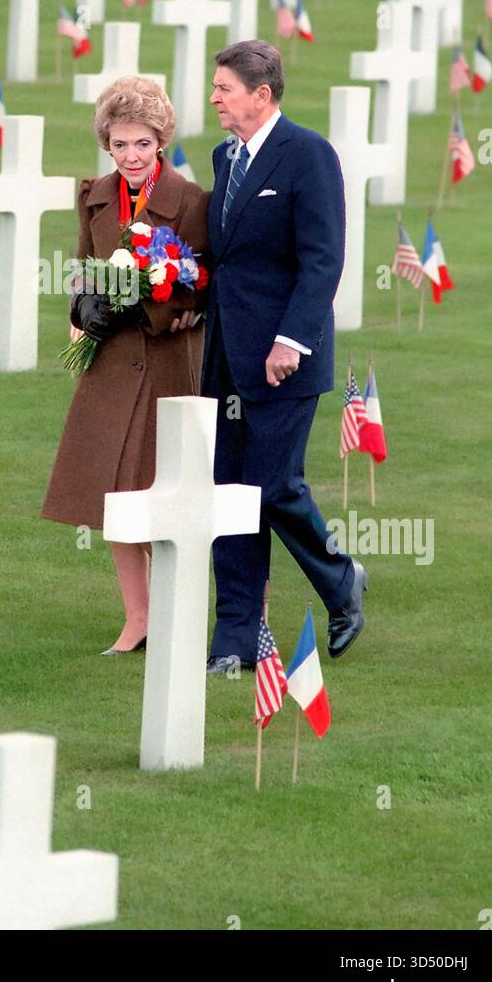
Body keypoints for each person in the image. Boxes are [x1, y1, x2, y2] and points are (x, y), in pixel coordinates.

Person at [201, 40, 367, 672]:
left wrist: (290, 341)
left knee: (272, 488)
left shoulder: (309, 156)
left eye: (225, 88)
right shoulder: (226, 157)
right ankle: (234, 641)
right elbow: (229, 256)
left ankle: (340, 578)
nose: (215, 97)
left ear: (261, 94)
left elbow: (323, 258)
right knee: (229, 496)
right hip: (225, 358)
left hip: (284, 359)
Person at [42, 76, 210, 654]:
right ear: (107, 145)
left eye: (142, 143)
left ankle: (171, 612)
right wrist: (84, 304)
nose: (131, 156)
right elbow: (84, 268)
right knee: (110, 495)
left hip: (165, 365)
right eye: (119, 144)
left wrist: (151, 309)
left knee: (155, 493)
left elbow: (201, 284)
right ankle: (137, 618)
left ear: (161, 140)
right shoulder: (94, 195)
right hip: (109, 364)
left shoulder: (190, 201)